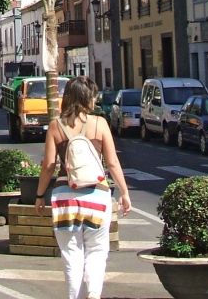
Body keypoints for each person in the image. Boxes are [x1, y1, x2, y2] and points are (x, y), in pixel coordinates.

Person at [34, 76, 131, 299]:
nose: (95, 100)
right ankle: (93, 294)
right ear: (88, 98)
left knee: (71, 253)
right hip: (97, 195)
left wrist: (39, 195)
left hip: (64, 197)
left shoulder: (55, 126)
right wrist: (124, 192)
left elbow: (49, 166)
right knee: (97, 250)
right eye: (93, 96)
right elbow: (112, 162)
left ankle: (73, 296)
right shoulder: (100, 123)